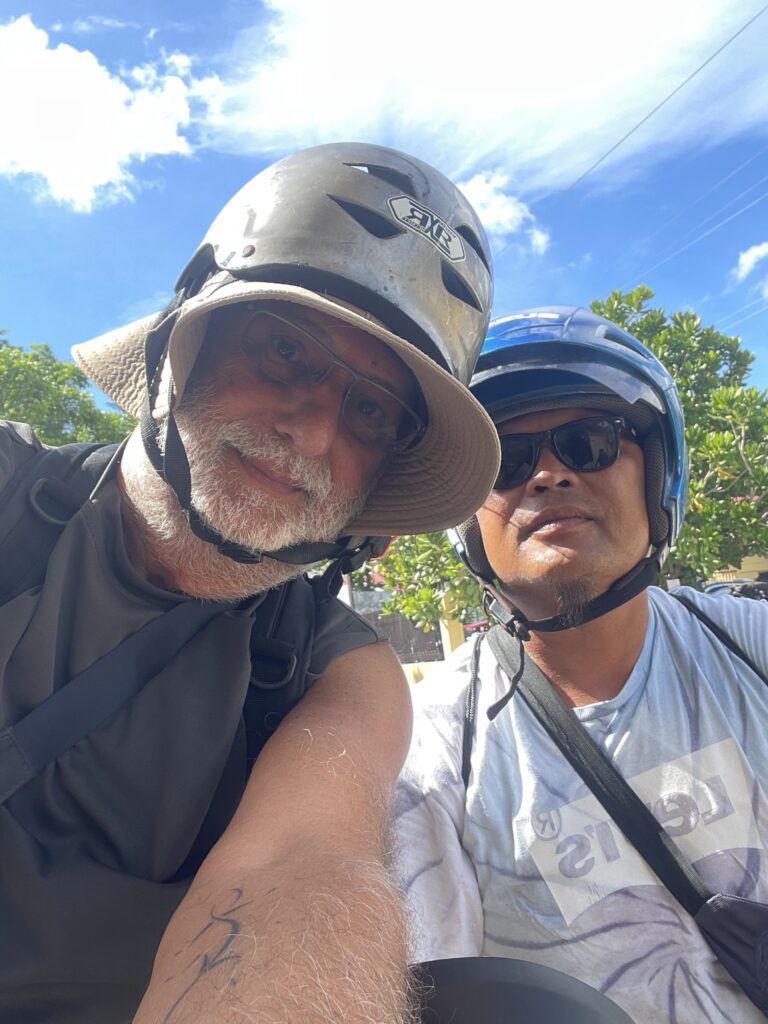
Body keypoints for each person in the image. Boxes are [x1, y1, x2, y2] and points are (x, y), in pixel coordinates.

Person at [0, 142, 500, 1024]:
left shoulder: (334, 671)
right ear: (185, 335)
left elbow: (306, 866)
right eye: (285, 348)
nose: (313, 430)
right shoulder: (12, 496)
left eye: (371, 409)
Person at [395, 306, 768, 1024]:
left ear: (657, 475)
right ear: (467, 522)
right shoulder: (432, 752)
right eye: (505, 462)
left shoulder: (750, 645)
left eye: (589, 443)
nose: (548, 475)